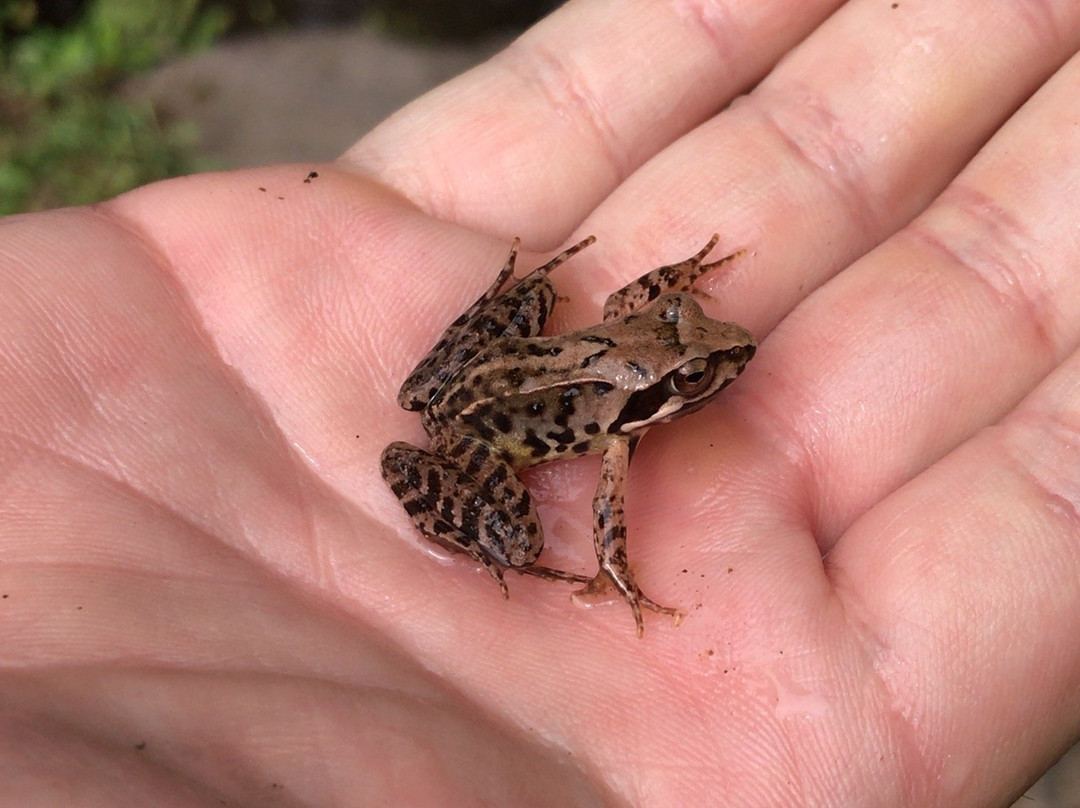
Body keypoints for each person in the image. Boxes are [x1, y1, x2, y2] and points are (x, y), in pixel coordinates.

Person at [3, 1, 1079, 804]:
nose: (713, 366)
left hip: (465, 380)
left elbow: (633, 298)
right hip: (479, 429)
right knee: (517, 526)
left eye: (694, 362)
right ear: (652, 399)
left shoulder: (634, 356)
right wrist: (619, 580)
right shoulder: (613, 442)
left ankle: (514, 347)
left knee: (535, 308)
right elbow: (613, 499)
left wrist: (676, 293)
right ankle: (502, 550)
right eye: (691, 374)